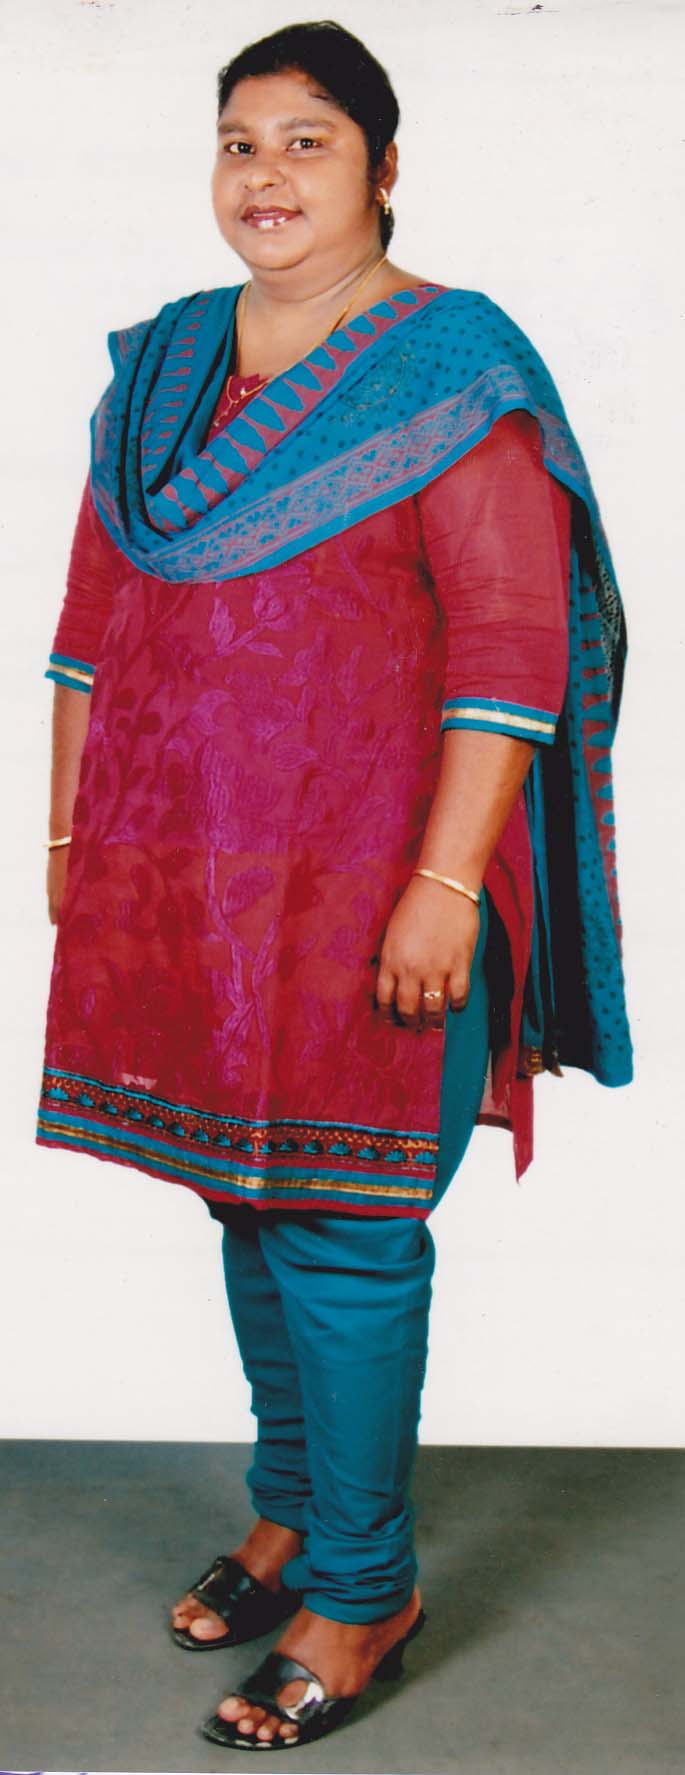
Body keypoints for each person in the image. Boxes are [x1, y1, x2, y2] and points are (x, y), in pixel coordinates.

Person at [36, 20, 632, 1753]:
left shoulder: (449, 369)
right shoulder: (163, 370)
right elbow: (88, 630)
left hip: (377, 884)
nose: (265, 174)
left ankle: (365, 1590)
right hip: (191, 883)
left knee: (348, 1226)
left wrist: (448, 885)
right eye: (239, 140)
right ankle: (292, 1516)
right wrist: (72, 847)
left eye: (307, 140)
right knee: (244, 1200)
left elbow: (511, 643)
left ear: (383, 168)